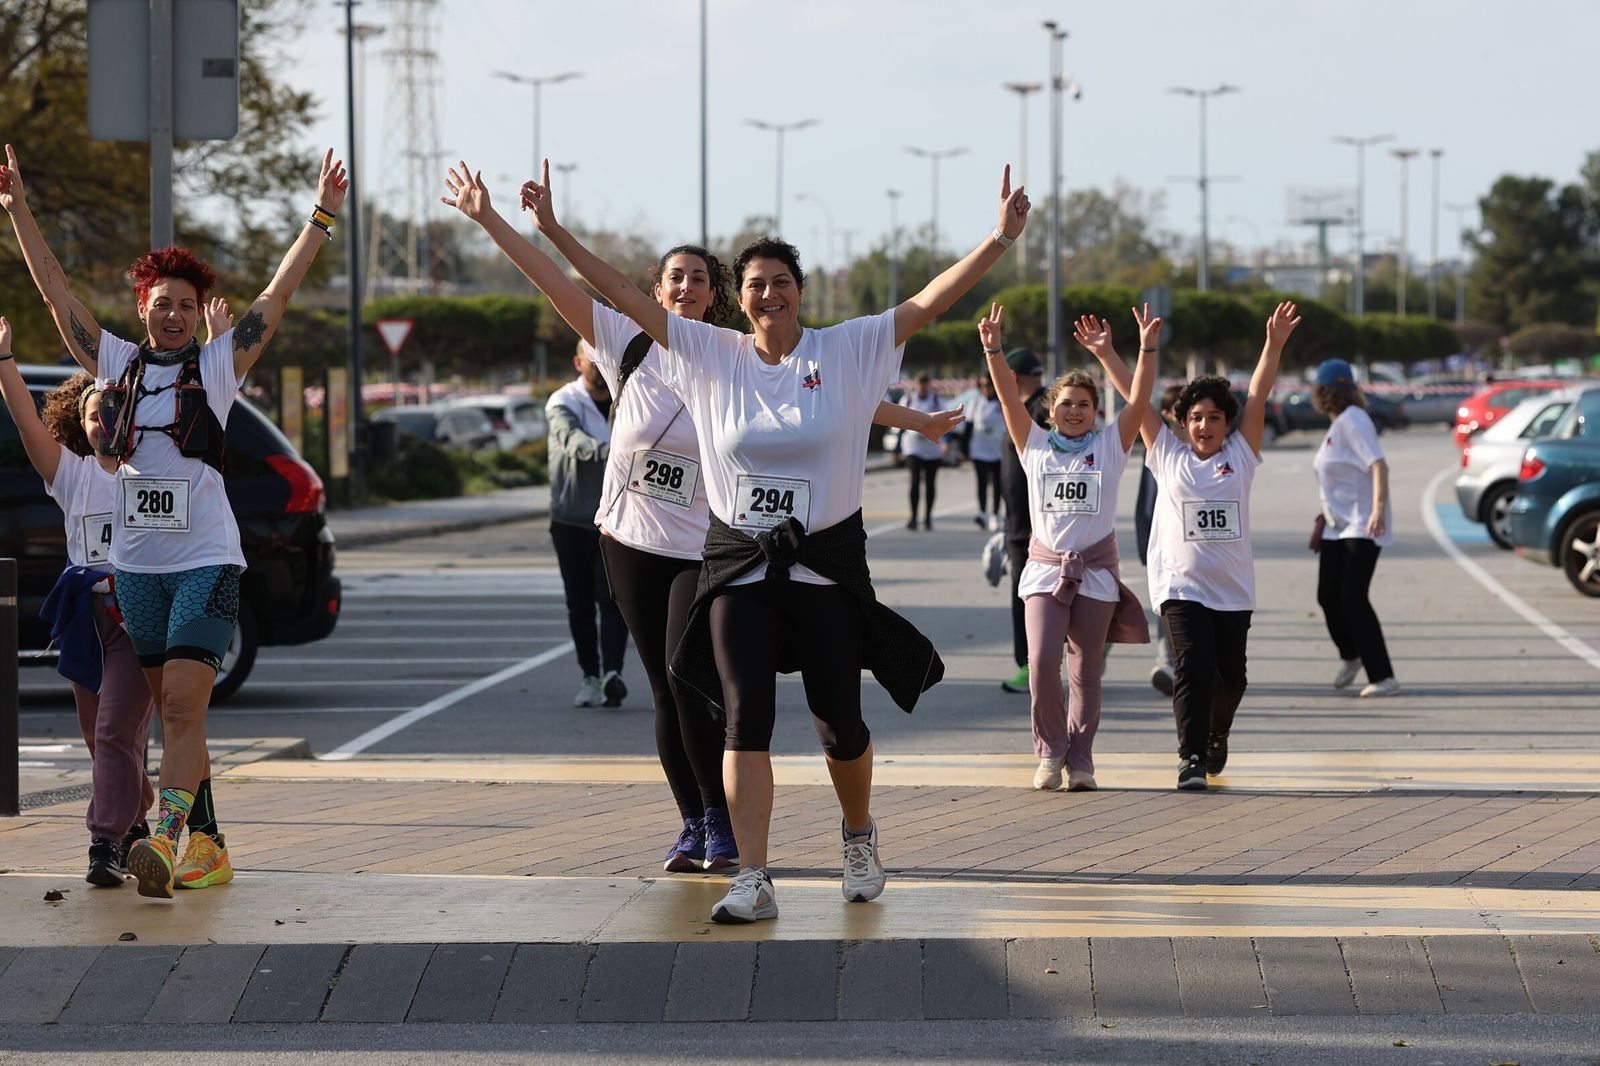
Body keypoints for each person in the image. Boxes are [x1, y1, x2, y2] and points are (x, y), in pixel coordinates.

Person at [518, 159, 1028, 923]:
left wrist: (996, 241)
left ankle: (858, 837)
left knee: (837, 721)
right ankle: (751, 875)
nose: (767, 294)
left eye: (779, 281)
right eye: (755, 283)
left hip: (824, 563)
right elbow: (620, 295)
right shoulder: (708, 354)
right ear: (742, 298)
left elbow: (927, 300)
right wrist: (554, 231)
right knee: (742, 713)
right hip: (738, 563)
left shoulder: (848, 350)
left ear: (798, 291)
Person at [2, 144, 348, 896]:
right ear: (143, 307)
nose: (175, 313)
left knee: (187, 705)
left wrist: (319, 217)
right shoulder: (115, 364)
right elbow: (54, 291)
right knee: (173, 717)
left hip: (206, 558)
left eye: (188, 305)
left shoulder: (218, 365)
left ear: (198, 315)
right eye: (164, 302)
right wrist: (17, 209)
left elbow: (275, 298)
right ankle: (211, 846)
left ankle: (164, 838)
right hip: (136, 567)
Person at [1099, 302, 1302, 791]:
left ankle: (1217, 732)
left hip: (1232, 589)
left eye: (1214, 417)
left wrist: (1273, 344)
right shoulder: (1167, 453)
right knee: (1193, 667)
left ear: (1229, 424)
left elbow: (1258, 393)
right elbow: (1137, 399)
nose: (1205, 426)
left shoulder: (1241, 453)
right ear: (1182, 423)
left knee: (1232, 679)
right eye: (1195, 418)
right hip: (1180, 586)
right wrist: (1108, 353)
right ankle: (1189, 757)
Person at [0, 318, 157, 886]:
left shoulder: (156, 473)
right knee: (101, 737)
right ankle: (138, 822)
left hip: (137, 616)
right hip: (84, 618)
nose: (106, 421)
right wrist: (4, 363)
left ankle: (104, 843)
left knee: (116, 730)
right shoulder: (72, 474)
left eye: (116, 410)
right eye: (95, 414)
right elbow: (23, 420)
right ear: (80, 423)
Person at [986, 306, 1153, 791]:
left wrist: (1139, 350)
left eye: (1084, 404)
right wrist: (994, 349)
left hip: (1096, 574)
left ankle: (1081, 759)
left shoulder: (1111, 445)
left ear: (1095, 411)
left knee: (1086, 672)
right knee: (1040, 664)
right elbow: (1006, 398)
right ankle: (1049, 752)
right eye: (1066, 404)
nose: (1075, 411)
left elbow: (1140, 397)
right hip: (1045, 572)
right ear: (1050, 409)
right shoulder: (1033, 444)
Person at [545, 349, 632, 709]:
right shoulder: (563, 401)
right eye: (590, 358)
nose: (597, 364)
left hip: (615, 520)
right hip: (571, 520)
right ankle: (590, 676)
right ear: (577, 361)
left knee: (612, 599)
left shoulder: (626, 396)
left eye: (602, 358)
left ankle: (613, 673)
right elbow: (570, 441)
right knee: (579, 603)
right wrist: (611, 450)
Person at [1309, 358, 1399, 698]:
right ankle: (1352, 655)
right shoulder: (1340, 425)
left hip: (1362, 524)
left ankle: (1384, 675)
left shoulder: (1354, 420)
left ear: (1322, 392)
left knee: (1353, 597)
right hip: (1337, 526)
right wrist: (1323, 515)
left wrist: (1377, 510)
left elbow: (1378, 465)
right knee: (1328, 595)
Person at [997, 347, 1049, 693]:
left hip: (1034, 525)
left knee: (1025, 597)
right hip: (1019, 521)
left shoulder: (1041, 410)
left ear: (1012, 377)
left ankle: (1028, 665)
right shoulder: (1035, 407)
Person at [1134, 384, 1184, 695]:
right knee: (1167, 604)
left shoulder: (1208, 448)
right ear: (1165, 414)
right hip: (1163, 548)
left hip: (1196, 550)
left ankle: (1179, 662)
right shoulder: (1158, 448)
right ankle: (1167, 662)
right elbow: (1145, 502)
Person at [900, 373, 948, 530]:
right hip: (913, 447)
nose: (922, 387)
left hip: (932, 447)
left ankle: (927, 517)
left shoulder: (937, 401)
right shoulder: (908, 400)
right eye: (920, 384)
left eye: (925, 384)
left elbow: (945, 423)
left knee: (930, 483)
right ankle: (913, 517)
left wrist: (946, 443)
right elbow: (899, 424)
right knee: (914, 481)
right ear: (915, 385)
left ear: (929, 385)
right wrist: (896, 449)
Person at [967, 372, 1006, 531]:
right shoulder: (976, 403)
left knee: (997, 484)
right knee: (981, 483)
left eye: (989, 385)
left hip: (998, 451)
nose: (986, 389)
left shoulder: (1001, 404)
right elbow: (968, 426)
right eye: (982, 386)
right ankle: (982, 512)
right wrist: (964, 449)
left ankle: (995, 514)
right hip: (979, 450)